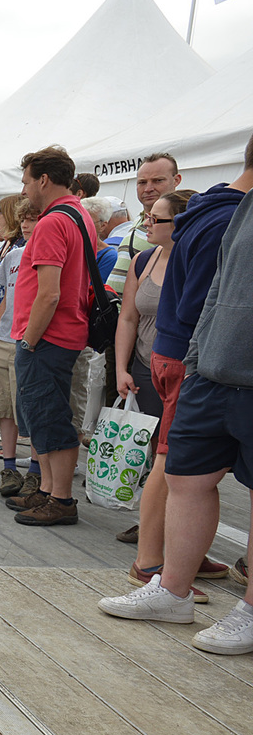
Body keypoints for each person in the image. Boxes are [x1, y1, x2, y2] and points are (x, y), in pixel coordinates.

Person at [99, 132, 253, 652]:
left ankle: (229, 603)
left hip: (207, 365)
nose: (146, 201)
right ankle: (171, 587)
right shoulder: (226, 214)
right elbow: (207, 296)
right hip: (206, 367)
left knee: (184, 473)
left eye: (154, 186)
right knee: (185, 475)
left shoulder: (213, 213)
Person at [5, 146, 96, 525]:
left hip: (48, 337)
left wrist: (29, 339)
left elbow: (49, 292)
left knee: (49, 417)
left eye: (26, 181)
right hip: (66, 333)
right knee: (48, 415)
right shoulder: (78, 214)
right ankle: (47, 490)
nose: (24, 190)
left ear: (43, 179)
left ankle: (60, 499)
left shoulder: (52, 222)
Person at [109, 189, 193, 542]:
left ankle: (164, 529)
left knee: (174, 454)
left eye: (155, 219)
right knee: (148, 449)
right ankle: (151, 520)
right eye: (147, 216)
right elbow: (127, 317)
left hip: (182, 369)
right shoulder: (143, 259)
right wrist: (121, 368)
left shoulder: (195, 262)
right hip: (145, 365)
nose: (146, 222)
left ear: (180, 224)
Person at [0, 197, 33, 499]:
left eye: (32, 218)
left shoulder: (45, 254)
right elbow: (3, 297)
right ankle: (9, 465)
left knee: (28, 409)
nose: (26, 224)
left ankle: (36, 472)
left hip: (26, 340)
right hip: (3, 337)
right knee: (3, 406)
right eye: (23, 219)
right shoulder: (12, 256)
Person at [109, 153, 183, 292]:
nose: (148, 188)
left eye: (158, 180)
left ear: (176, 180)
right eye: (142, 182)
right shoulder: (140, 219)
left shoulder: (177, 224)